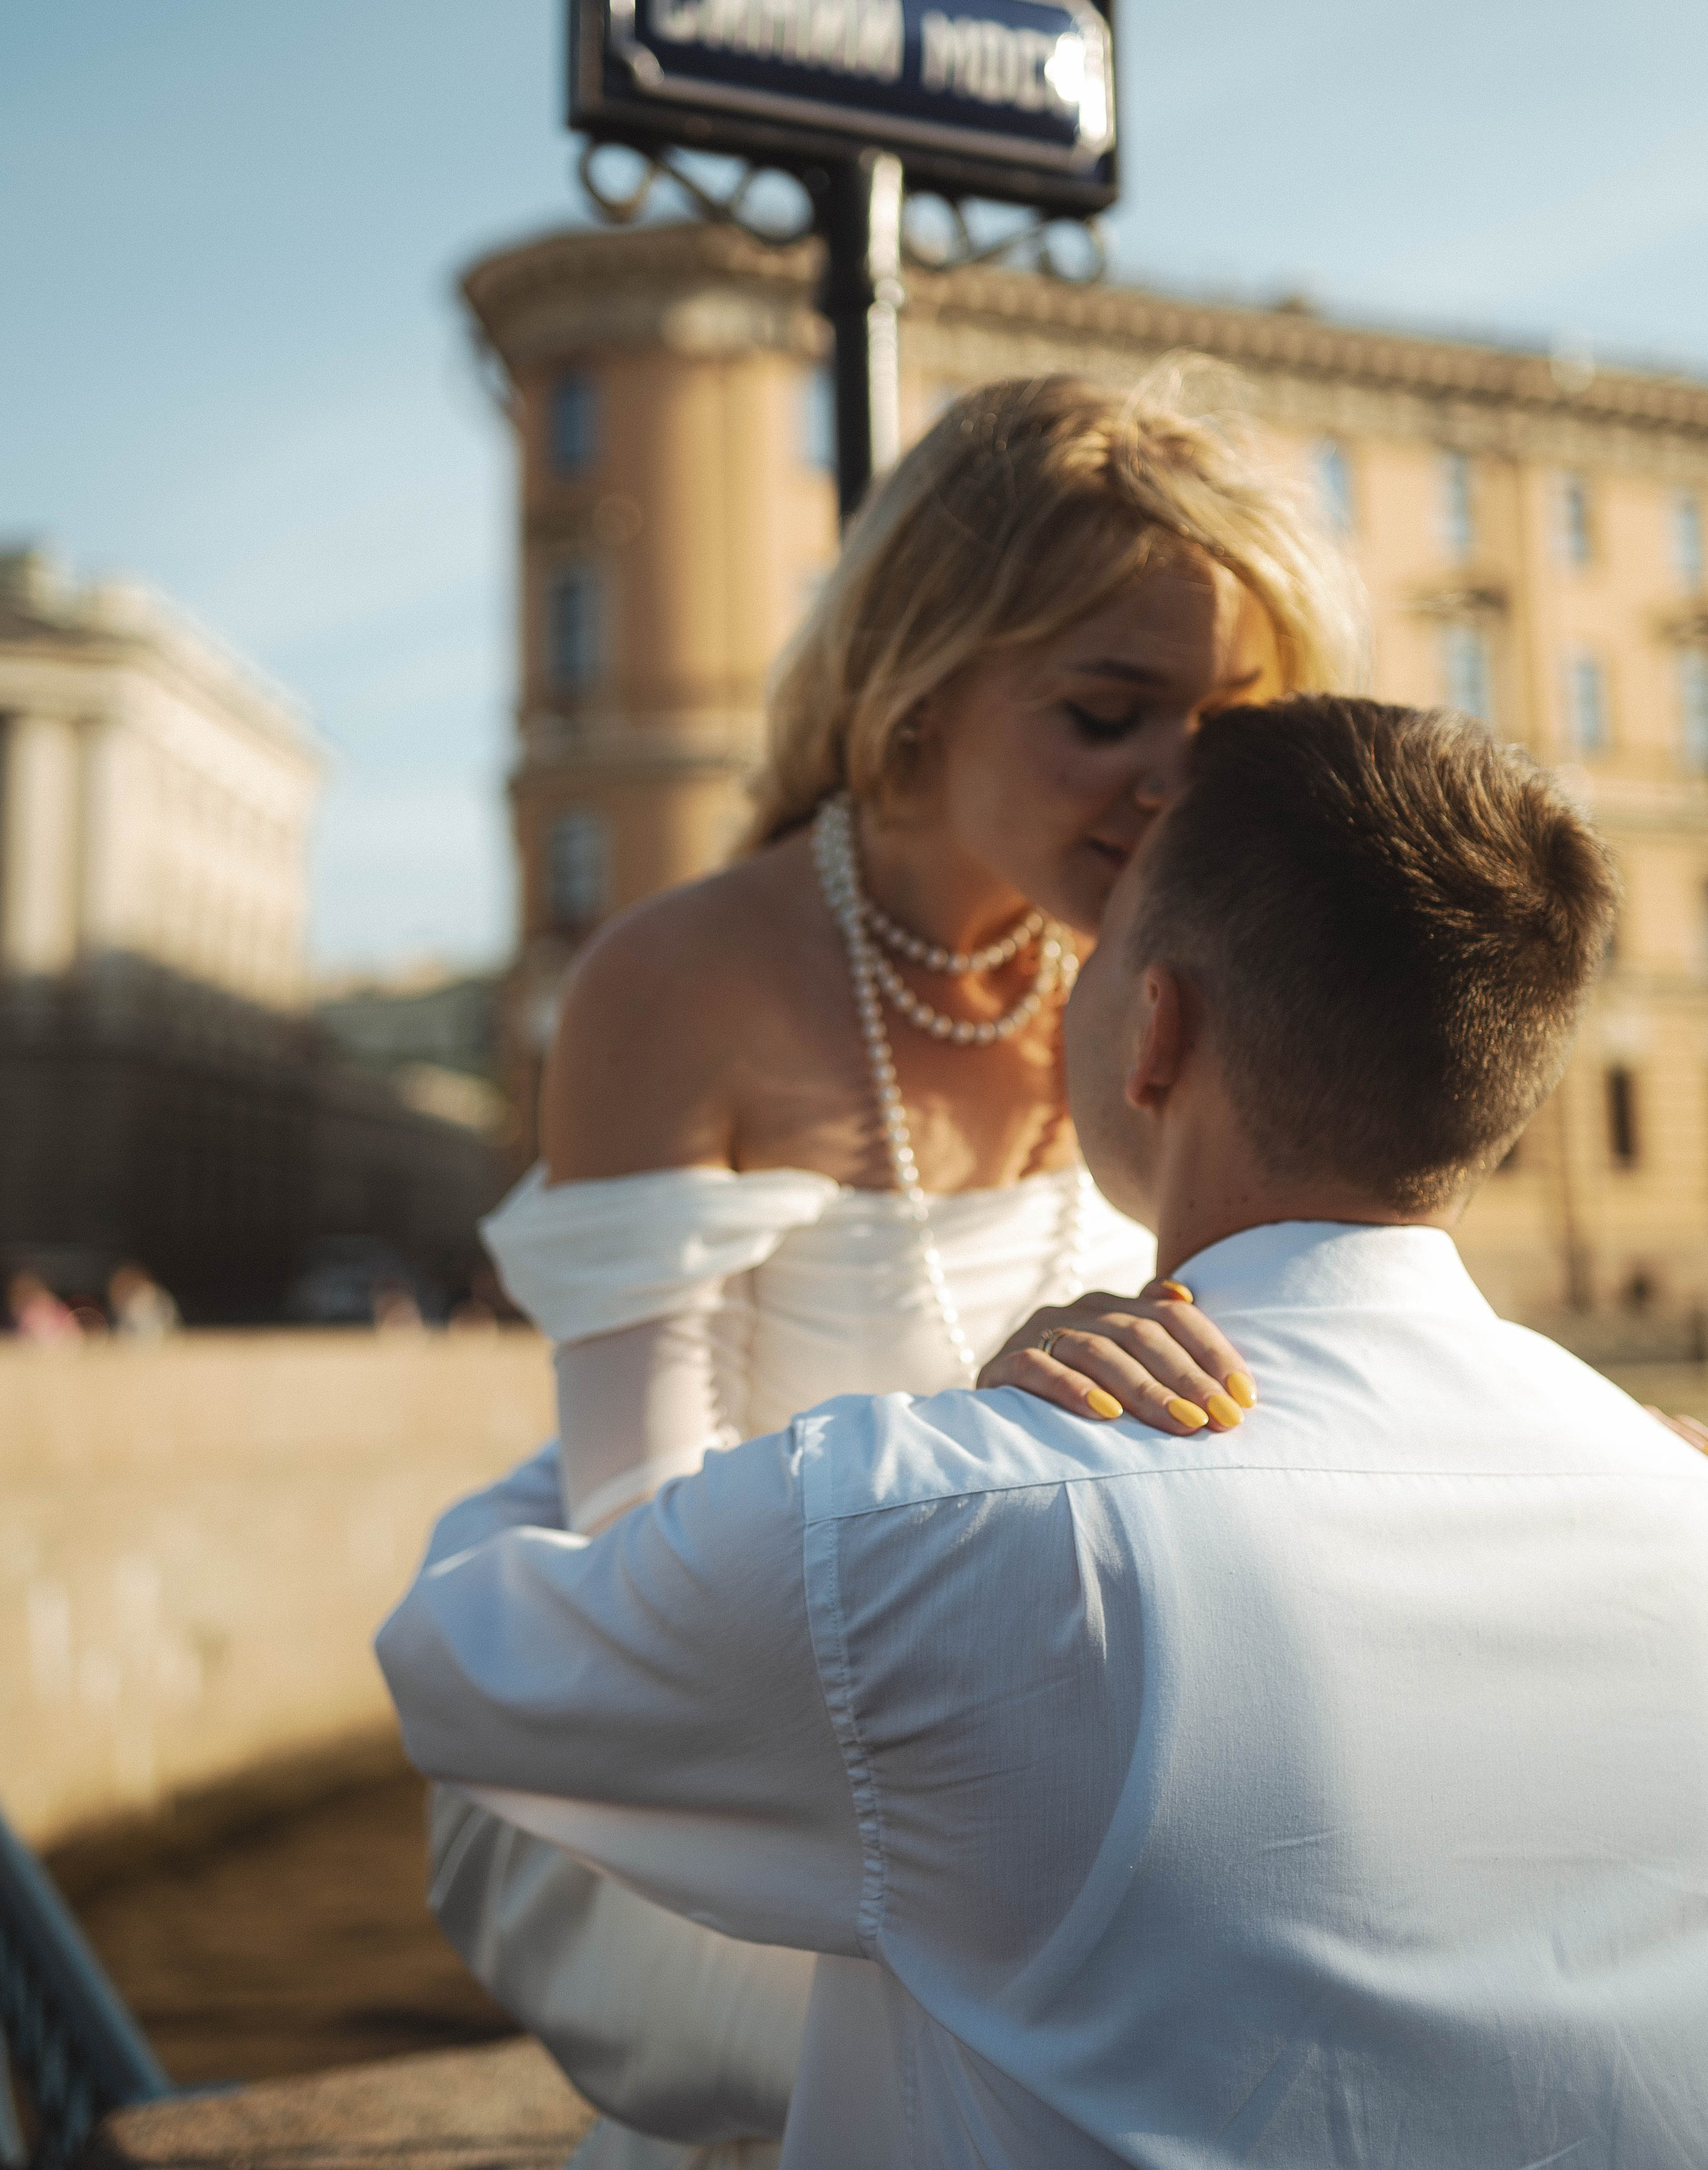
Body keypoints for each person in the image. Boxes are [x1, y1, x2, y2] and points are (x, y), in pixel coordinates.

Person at [380, 698, 1708, 2167]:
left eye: (1099, 945)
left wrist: (826, 1416)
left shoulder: (936, 1527)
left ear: (1155, 1032)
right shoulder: (1677, 1503)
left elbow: (455, 1665)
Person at [430, 375, 1362, 2164]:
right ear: (919, 687)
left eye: (1224, 727)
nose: (1175, 786)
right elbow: (642, 1548)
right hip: (765, 1772)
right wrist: (975, 1439)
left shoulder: (1183, 968)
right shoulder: (677, 980)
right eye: (1107, 714)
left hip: (1094, 1756)